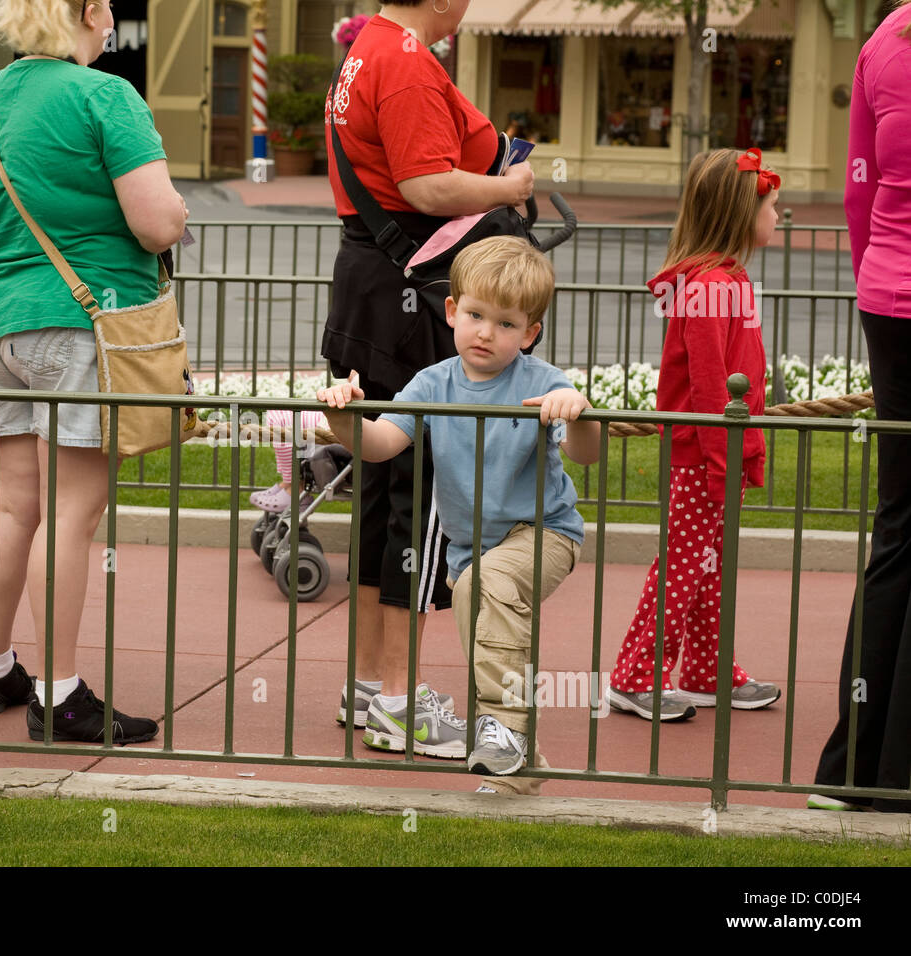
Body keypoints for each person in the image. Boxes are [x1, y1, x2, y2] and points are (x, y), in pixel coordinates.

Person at [0, 0, 187, 739]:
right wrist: (176, 210)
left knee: (12, 503)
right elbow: (156, 222)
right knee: (72, 512)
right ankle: (60, 697)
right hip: (85, 319)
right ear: (86, 12)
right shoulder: (105, 95)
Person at [322, 0, 534, 738]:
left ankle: (369, 686)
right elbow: (427, 186)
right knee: (421, 504)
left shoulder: (371, 48)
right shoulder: (406, 60)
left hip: (373, 283)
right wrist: (509, 190)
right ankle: (400, 700)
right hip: (410, 294)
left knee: (383, 499)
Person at [317, 236, 596, 794]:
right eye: (474, 315)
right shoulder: (432, 383)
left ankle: (499, 729)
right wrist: (346, 417)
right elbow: (379, 444)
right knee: (480, 607)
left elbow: (584, 451)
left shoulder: (542, 382)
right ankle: (519, 757)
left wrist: (579, 412)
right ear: (451, 312)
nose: (486, 332)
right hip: (473, 553)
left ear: (530, 333)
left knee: (487, 588)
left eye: (506, 323)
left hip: (542, 534)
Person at [607, 148, 781, 722]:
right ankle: (634, 676)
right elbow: (710, 384)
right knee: (682, 563)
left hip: (716, 448)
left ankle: (707, 671)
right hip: (704, 450)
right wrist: (722, 457)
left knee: (707, 563)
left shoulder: (725, 279)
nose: (779, 216)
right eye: (772, 206)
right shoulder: (711, 285)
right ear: (740, 212)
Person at [811, 0, 911, 814]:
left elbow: (859, 191)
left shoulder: (883, 42)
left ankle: (856, 763)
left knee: (899, 525)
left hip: (888, 294)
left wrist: (873, 280)